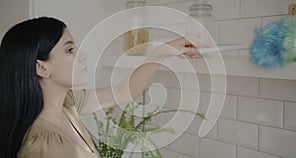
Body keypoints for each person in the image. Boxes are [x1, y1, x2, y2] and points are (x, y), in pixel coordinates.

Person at [0, 17, 201, 158]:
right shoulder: (43, 145)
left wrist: (161, 52)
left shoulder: (67, 105)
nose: (82, 55)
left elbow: (123, 93)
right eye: (70, 50)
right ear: (41, 67)